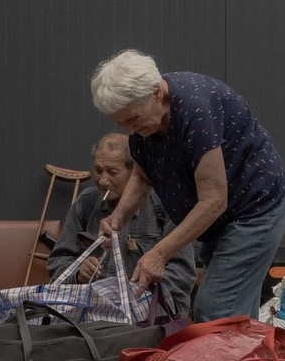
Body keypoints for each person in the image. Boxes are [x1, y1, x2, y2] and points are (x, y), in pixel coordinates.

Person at [89, 50, 285, 321]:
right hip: (221, 220)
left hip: (255, 210)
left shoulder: (197, 111)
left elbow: (213, 201)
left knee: (217, 310)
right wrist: (118, 217)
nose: (129, 130)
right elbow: (141, 174)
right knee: (237, 314)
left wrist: (159, 253)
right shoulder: (146, 123)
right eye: (121, 123)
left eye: (133, 119)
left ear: (155, 94)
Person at [45, 132, 196, 316]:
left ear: (135, 172)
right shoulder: (87, 202)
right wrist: (78, 273)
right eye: (98, 170)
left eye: (112, 172)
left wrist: (138, 295)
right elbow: (58, 261)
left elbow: (182, 274)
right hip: (93, 313)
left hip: (147, 314)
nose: (103, 180)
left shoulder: (166, 205)